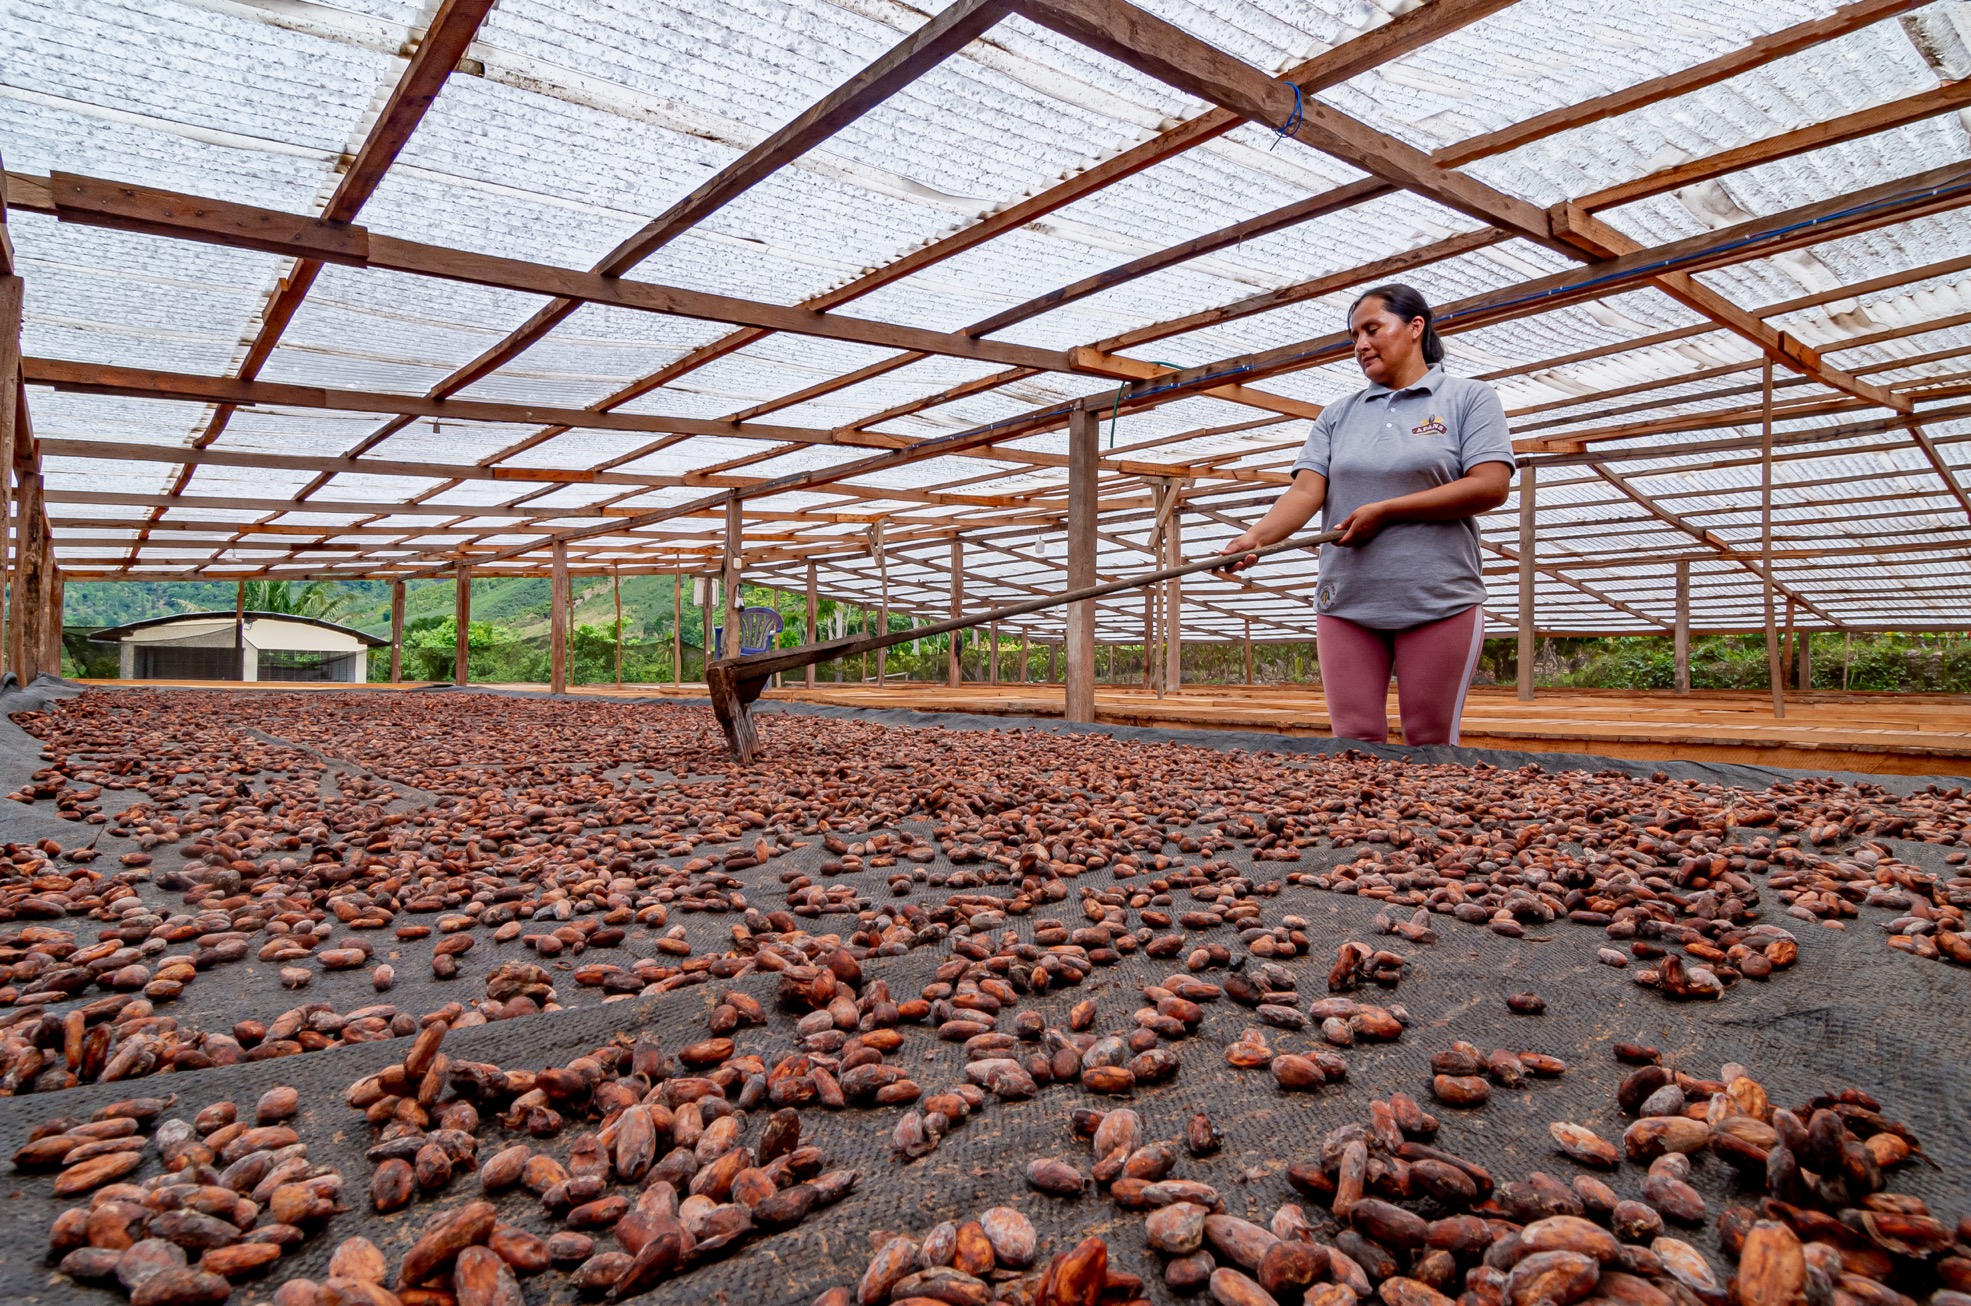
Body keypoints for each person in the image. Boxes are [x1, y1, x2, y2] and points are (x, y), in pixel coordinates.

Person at [1217, 284, 1515, 746]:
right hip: (1348, 600)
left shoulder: (1468, 399)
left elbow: (1490, 485)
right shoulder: (1337, 415)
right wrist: (1255, 538)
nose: (1361, 345)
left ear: (1416, 327)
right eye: (1354, 335)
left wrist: (1387, 510)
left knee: (1430, 741)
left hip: (1438, 598)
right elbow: (1305, 491)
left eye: (1373, 329)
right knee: (1354, 743)